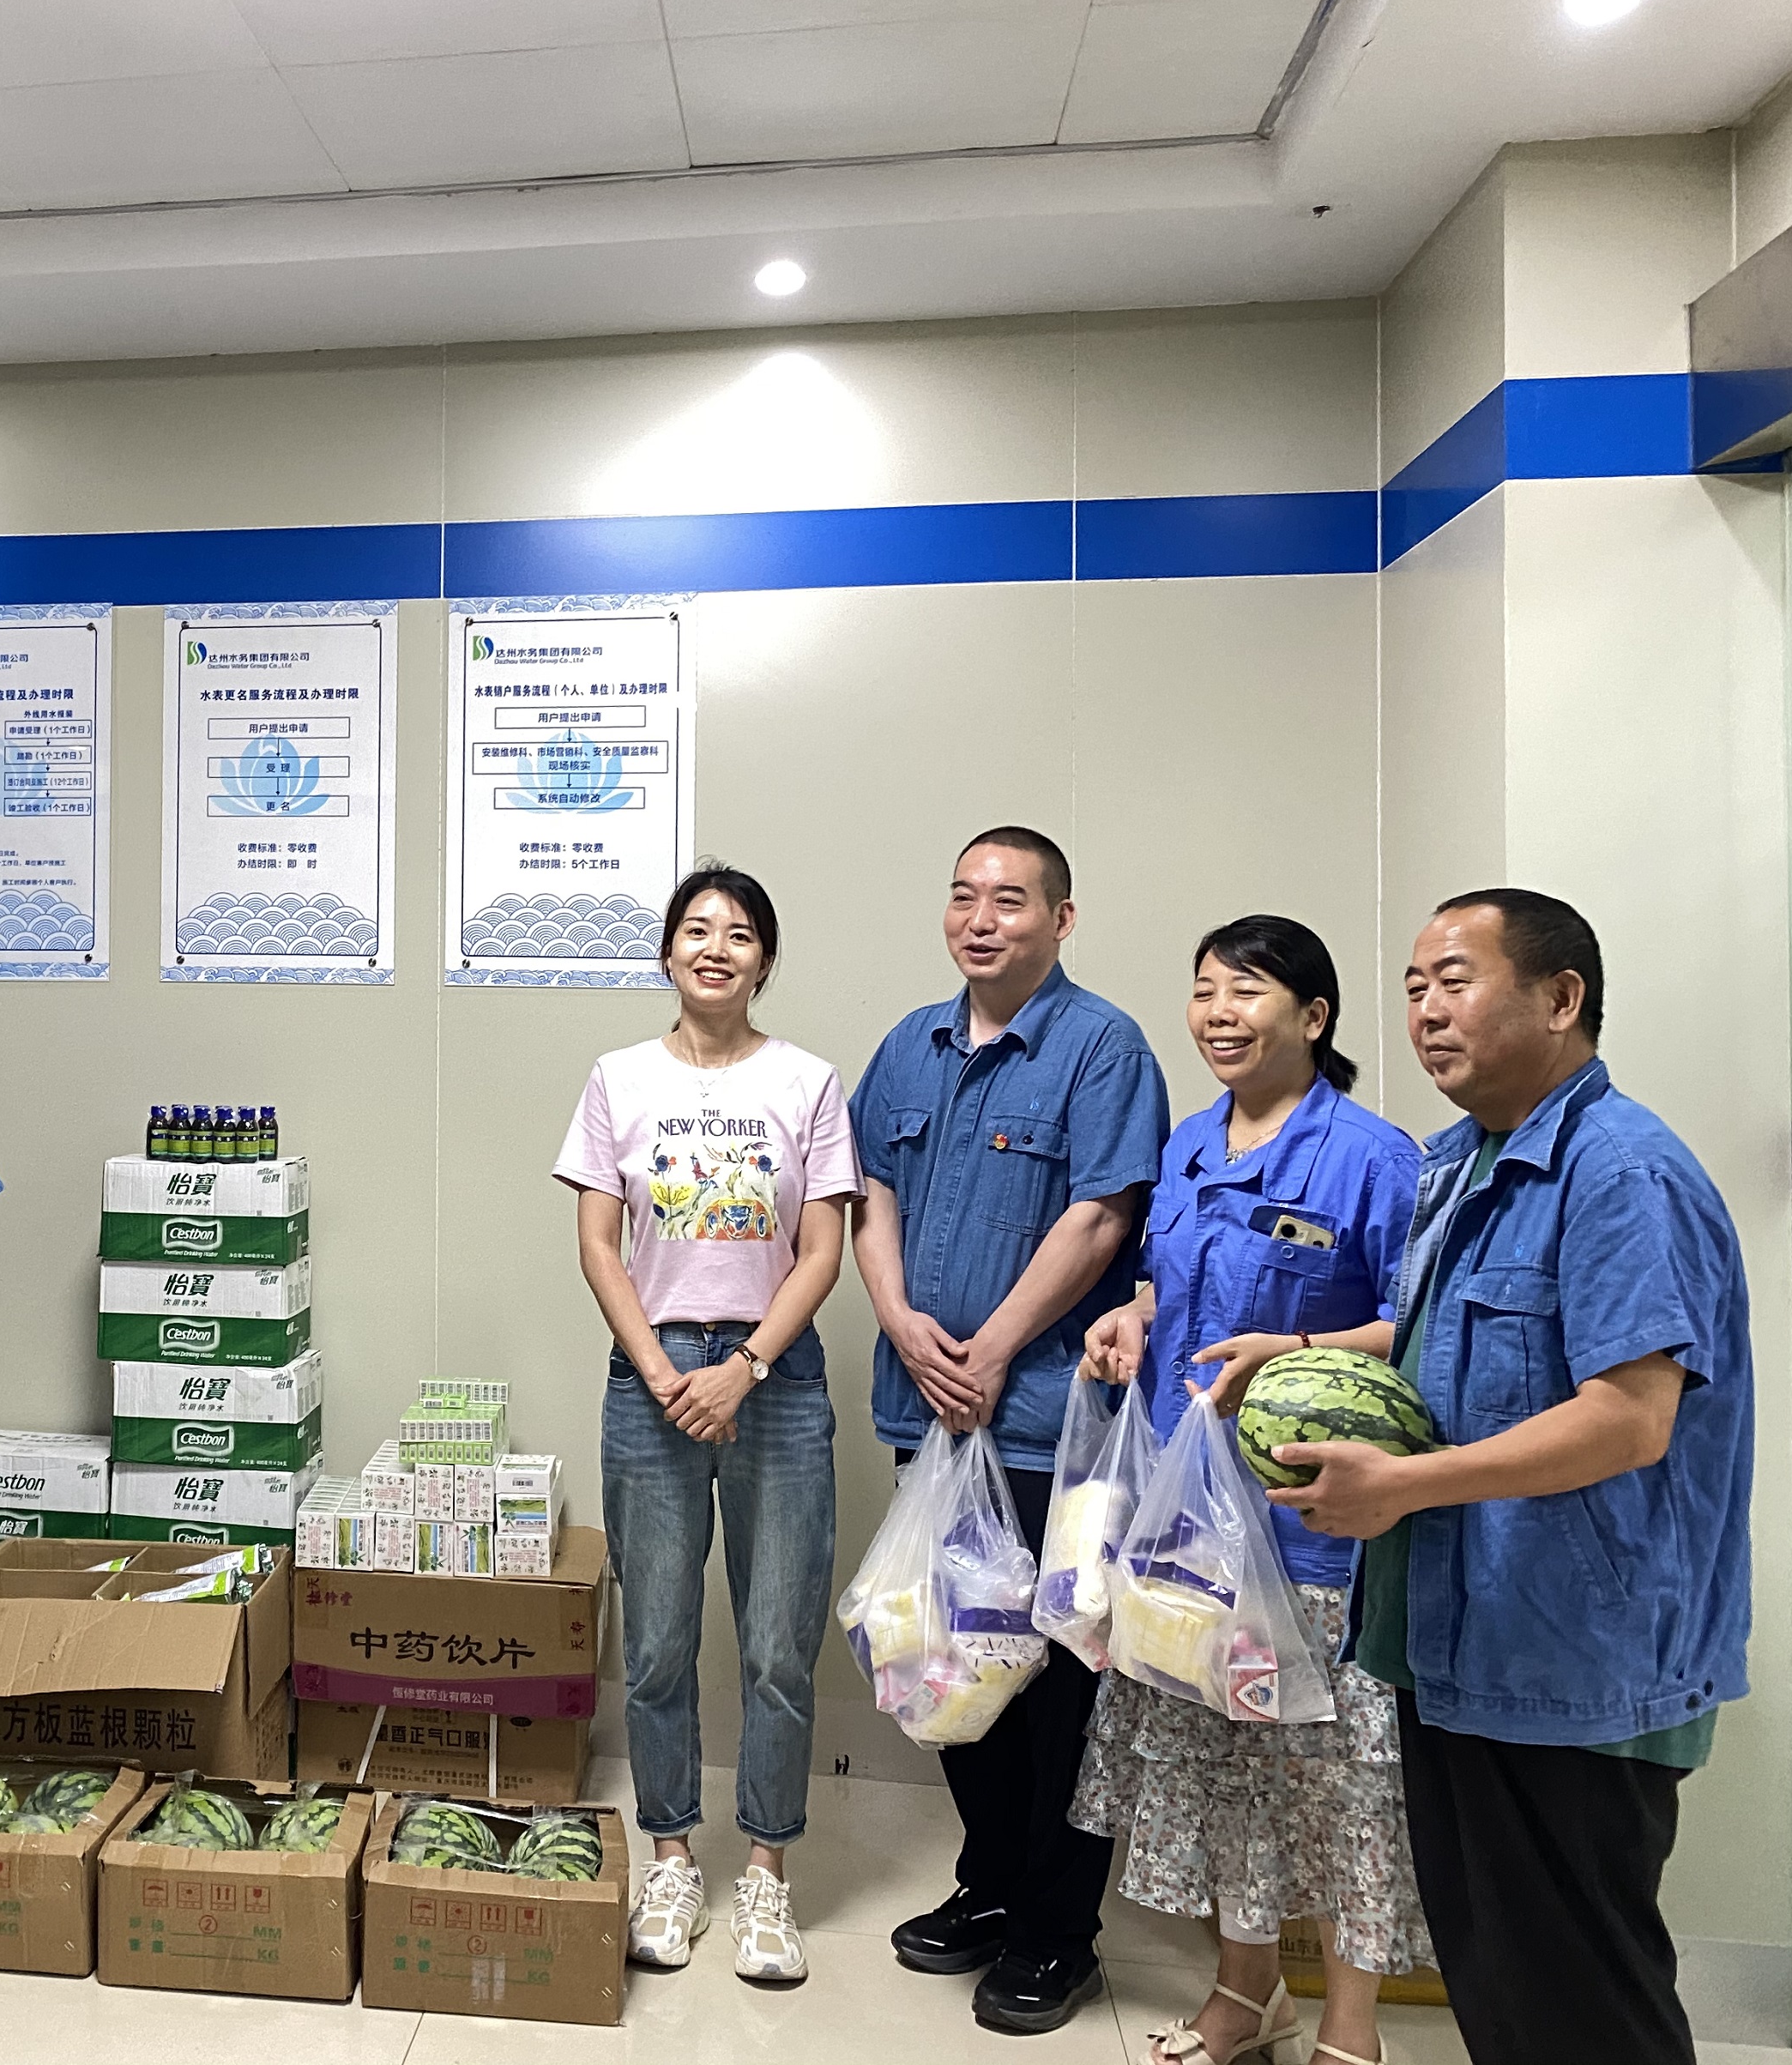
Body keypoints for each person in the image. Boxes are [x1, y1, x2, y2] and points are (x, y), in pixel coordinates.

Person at [1271, 891, 1753, 2065]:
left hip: (1572, 1663)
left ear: (1561, 998)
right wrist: (1303, 1351)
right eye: (1414, 988)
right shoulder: (1467, 1161)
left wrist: (1405, 1487)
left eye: (1456, 981)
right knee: (1503, 1991)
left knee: (1581, 2009)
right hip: (1463, 1646)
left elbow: (1629, 1418)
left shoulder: (1620, 1172)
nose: (1427, 1012)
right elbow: (1453, 1340)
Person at [1069, 916, 1427, 2065]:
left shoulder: (1374, 1158)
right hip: (1188, 1530)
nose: (1220, 1013)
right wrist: (1131, 1317)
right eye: (1205, 990)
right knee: (1227, 1773)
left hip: (1313, 1529)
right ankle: (1245, 1995)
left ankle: (1352, 2030)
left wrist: (1301, 1353)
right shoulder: (1187, 1146)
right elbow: (1169, 1284)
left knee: (1340, 1788)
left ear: (1313, 1017)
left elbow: (1422, 1326)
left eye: (1248, 991)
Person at [850, 825, 1170, 2034]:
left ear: (1061, 919)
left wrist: (988, 1351)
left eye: (1011, 900)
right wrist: (899, 1320)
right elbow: (869, 1191)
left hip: (1046, 1425)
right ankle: (990, 1886)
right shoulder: (910, 1044)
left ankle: (1056, 1932)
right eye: (964, 898)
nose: (981, 920)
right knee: (945, 1662)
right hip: (931, 1411)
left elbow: (1103, 1218)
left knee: (1057, 1689)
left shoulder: (1103, 1046)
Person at [552, 865, 855, 1987]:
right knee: (658, 1644)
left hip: (774, 1376)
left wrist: (745, 1368)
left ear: (764, 959)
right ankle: (673, 1859)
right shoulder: (618, 1077)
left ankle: (768, 1871)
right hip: (653, 1376)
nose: (716, 947)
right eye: (696, 929)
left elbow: (821, 1251)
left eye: (739, 933)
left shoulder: (808, 1081)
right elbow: (599, 1241)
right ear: (668, 953)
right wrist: (662, 1372)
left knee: (777, 1645)